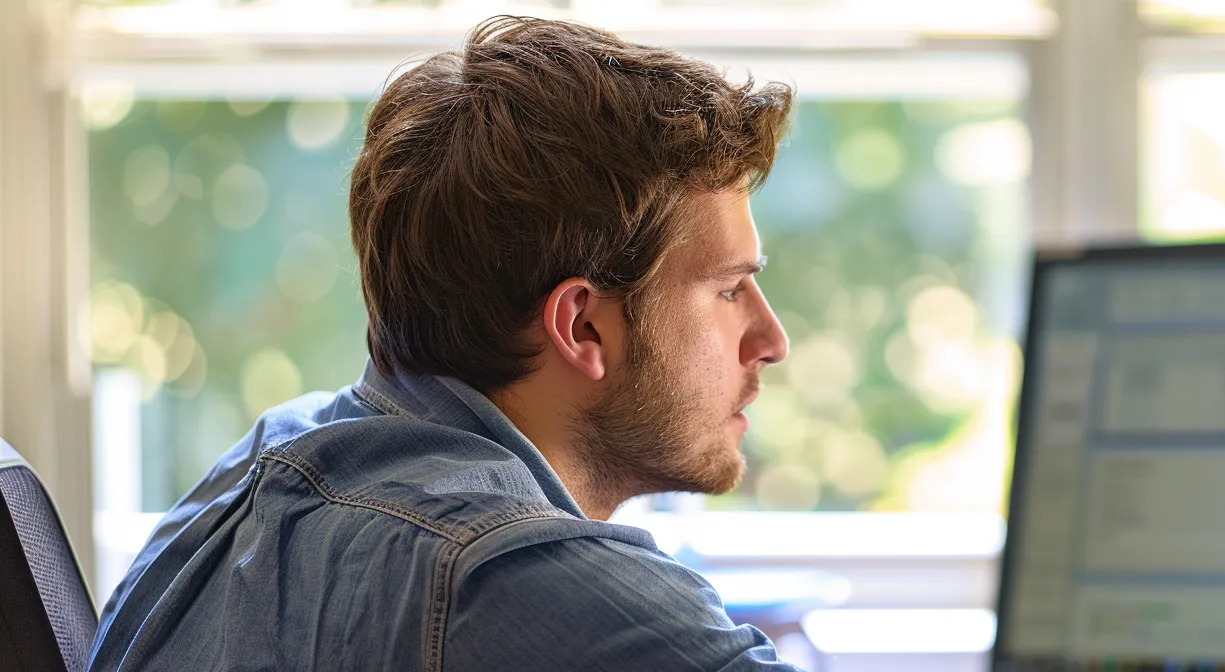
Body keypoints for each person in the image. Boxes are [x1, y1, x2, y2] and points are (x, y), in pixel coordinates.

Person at [90, 15, 802, 671]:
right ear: (583, 326)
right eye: (729, 289)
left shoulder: (249, 477)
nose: (771, 340)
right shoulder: (542, 590)